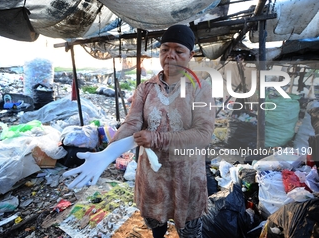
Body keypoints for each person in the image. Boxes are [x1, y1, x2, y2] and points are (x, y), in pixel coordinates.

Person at [64, 24, 215, 238]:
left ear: (190, 55)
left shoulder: (200, 88)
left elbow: (203, 135)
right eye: (164, 50)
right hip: (153, 175)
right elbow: (132, 123)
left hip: (186, 175)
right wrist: (107, 153)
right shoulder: (146, 88)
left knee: (188, 229)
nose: (170, 56)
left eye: (178, 51)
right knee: (156, 224)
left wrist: (156, 137)